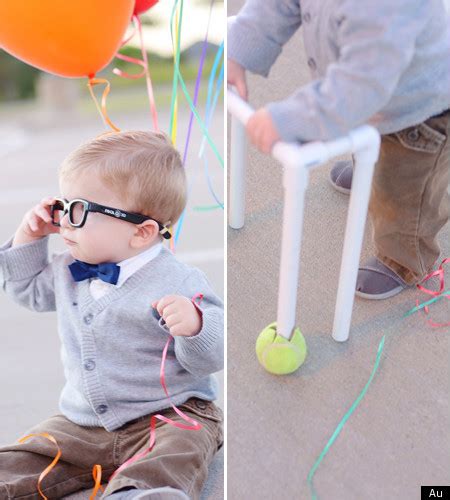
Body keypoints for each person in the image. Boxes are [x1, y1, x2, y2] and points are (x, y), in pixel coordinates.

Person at [0, 131, 223, 499]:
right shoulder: (69, 266)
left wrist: (196, 326)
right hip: (82, 423)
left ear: (141, 231)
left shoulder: (180, 281)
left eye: (78, 211)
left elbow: (209, 360)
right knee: (30, 454)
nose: (63, 222)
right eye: (63, 205)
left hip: (169, 414)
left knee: (178, 449)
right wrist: (29, 237)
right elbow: (28, 293)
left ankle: (138, 493)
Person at [228, 0, 450, 299]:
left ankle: (403, 259)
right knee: (363, 138)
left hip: (421, 112)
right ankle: (369, 173)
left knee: (405, 191)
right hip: (368, 100)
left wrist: (288, 120)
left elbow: (360, 88)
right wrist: (239, 50)